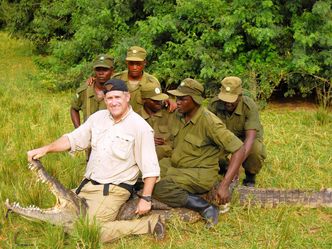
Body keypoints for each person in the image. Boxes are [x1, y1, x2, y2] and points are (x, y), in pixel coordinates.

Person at [28, 79, 165, 242]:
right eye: (109, 98)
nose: (113, 103)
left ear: (127, 97)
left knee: (88, 230)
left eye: (117, 97)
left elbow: (151, 169)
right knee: (64, 222)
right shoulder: (97, 118)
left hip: (113, 191)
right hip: (86, 186)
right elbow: (73, 139)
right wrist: (45, 149)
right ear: (105, 99)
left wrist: (146, 199)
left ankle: (150, 223)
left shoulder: (140, 128)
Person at [152, 78, 245, 227]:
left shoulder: (209, 122)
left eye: (183, 99)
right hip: (176, 165)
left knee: (157, 188)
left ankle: (205, 206)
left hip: (198, 172)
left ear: (195, 100)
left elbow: (239, 149)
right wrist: (165, 102)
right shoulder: (178, 114)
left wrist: (224, 185)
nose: (178, 102)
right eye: (177, 98)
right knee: (143, 174)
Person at [208, 76, 266, 187]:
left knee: (256, 150)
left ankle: (250, 176)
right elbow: (207, 131)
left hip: (245, 139)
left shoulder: (249, 106)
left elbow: (250, 139)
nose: (228, 103)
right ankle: (225, 169)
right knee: (209, 150)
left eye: (232, 100)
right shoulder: (214, 105)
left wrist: (237, 164)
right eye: (225, 99)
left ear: (240, 96)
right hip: (224, 139)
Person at [70, 54, 114, 128]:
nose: (101, 73)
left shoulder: (117, 91)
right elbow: (74, 108)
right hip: (89, 135)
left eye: (105, 70)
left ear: (112, 71)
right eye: (98, 69)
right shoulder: (84, 90)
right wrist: (78, 129)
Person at [137, 84, 174, 160]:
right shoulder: (135, 118)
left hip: (168, 159)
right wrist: (145, 140)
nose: (159, 103)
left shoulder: (170, 114)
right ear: (144, 100)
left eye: (160, 99)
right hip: (142, 159)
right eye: (155, 100)